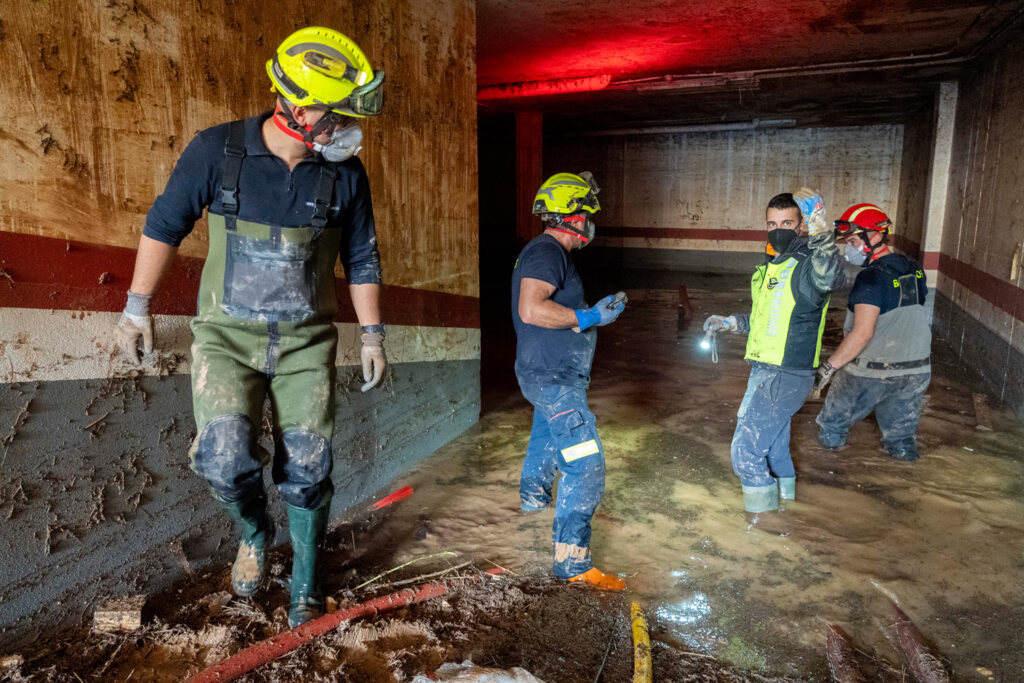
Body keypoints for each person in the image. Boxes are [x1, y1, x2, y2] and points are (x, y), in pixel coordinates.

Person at [114, 27, 387, 626]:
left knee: (309, 466)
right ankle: (256, 534)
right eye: (334, 114)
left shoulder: (345, 176)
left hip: (305, 344)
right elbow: (163, 226)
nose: (345, 126)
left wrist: (372, 335)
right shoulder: (216, 152)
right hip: (226, 340)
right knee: (222, 457)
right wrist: (137, 306)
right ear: (293, 104)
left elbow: (361, 258)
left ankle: (307, 582)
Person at [511, 172, 628, 590]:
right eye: (587, 213)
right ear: (572, 216)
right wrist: (590, 316)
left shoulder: (545, 253)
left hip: (548, 379)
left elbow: (547, 312)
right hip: (555, 380)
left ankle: (533, 501)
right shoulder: (547, 253)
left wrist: (589, 315)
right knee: (586, 466)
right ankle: (573, 567)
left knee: (547, 435)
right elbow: (531, 309)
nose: (590, 222)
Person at [703, 190, 845, 514]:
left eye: (787, 222)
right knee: (775, 449)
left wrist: (822, 228)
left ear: (801, 227)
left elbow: (832, 277)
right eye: (772, 222)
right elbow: (764, 321)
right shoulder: (773, 266)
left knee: (746, 451)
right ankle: (788, 517)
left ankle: (761, 528)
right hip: (768, 372)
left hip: (784, 374)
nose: (778, 229)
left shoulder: (809, 264)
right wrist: (729, 323)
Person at [815, 203, 931, 461]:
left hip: (872, 370)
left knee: (832, 429)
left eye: (854, 240)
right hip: (917, 371)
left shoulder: (870, 278)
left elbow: (862, 333)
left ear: (875, 236)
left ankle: (825, 476)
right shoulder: (915, 268)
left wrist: (828, 368)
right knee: (901, 440)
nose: (849, 248)